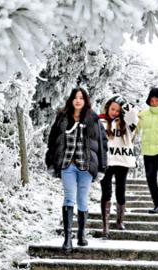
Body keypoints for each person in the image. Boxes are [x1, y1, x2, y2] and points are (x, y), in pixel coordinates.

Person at [45, 87, 107, 253]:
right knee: (69, 198)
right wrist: (51, 163)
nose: (78, 100)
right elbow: (52, 141)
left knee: (82, 199)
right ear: (71, 100)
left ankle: (81, 234)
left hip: (86, 166)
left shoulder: (93, 119)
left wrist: (102, 167)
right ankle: (67, 239)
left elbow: (102, 144)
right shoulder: (62, 117)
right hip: (67, 165)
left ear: (85, 100)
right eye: (75, 97)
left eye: (81, 98)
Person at [98, 95, 139, 238]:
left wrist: (125, 105)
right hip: (106, 161)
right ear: (107, 107)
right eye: (112, 109)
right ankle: (105, 226)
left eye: (117, 110)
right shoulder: (100, 121)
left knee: (120, 190)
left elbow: (134, 115)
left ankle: (120, 220)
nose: (114, 112)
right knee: (106, 191)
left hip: (122, 161)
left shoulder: (127, 124)